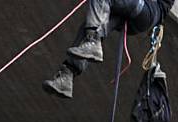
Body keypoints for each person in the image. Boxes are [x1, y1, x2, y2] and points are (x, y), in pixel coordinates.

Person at [44, 0, 175, 98]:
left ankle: (93, 39)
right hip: (139, 14)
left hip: (147, 8)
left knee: (96, 20)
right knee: (94, 21)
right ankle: (67, 75)